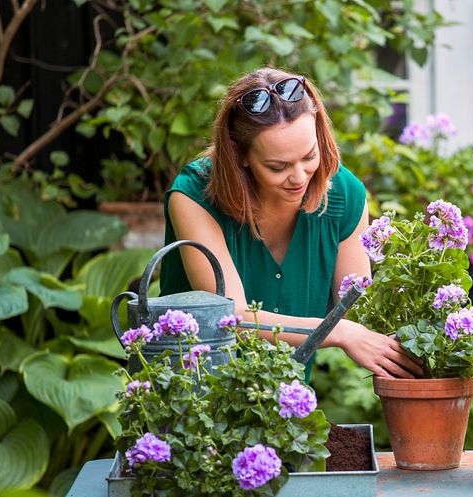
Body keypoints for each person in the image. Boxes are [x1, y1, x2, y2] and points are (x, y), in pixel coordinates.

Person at [159, 67, 422, 382]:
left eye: (309, 156)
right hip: (197, 402)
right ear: (239, 154)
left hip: (289, 410)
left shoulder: (345, 195)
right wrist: (339, 332)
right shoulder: (194, 197)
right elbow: (233, 319)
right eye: (277, 166)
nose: (299, 177)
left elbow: (359, 310)